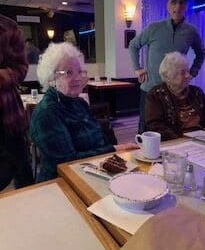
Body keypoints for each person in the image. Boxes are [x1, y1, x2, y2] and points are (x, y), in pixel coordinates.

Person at [30, 42, 137, 182]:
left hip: (96, 173)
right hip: (62, 183)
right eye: (68, 72)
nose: (77, 78)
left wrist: (116, 159)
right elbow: (66, 161)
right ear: (51, 79)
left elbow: (101, 138)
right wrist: (115, 149)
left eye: (80, 72)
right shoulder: (46, 113)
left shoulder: (79, 102)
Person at [129, 0, 205, 133]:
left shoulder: (191, 32)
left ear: (186, 6)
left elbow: (201, 52)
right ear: (168, 5)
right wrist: (137, 68)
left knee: (171, 129)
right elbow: (133, 45)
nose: (177, 7)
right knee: (145, 131)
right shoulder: (154, 28)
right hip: (150, 89)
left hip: (175, 91)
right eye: (174, 2)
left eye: (181, 2)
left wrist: (193, 72)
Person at [145, 52, 205, 141]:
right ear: (168, 76)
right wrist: (181, 139)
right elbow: (154, 126)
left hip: (203, 141)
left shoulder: (196, 92)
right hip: (175, 143)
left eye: (188, 71)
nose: (188, 76)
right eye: (182, 73)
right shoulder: (156, 95)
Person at [0, 14, 33, 190]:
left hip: (9, 116)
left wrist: (2, 76)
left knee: (22, 170)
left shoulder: (8, 27)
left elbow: (21, 68)